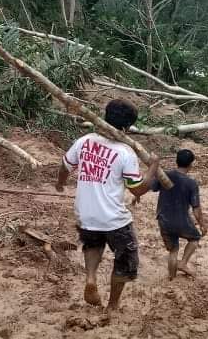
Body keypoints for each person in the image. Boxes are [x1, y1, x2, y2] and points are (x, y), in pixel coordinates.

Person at [57, 99, 159, 310]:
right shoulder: (125, 152)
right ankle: (112, 305)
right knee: (125, 260)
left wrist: (60, 184)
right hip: (114, 219)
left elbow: (65, 165)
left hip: (86, 215)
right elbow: (138, 189)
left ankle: (91, 279)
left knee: (93, 244)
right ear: (128, 127)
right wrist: (153, 168)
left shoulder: (84, 141)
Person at [152, 148, 208, 279]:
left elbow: (152, 186)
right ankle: (183, 264)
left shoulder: (164, 175)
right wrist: (202, 224)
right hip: (182, 221)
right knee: (194, 239)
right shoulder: (191, 183)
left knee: (173, 251)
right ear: (191, 164)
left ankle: (171, 278)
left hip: (164, 219)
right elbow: (196, 208)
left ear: (176, 161)